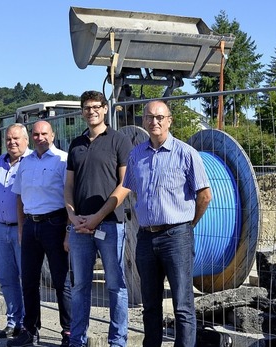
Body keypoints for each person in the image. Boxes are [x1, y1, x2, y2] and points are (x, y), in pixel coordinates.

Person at [123, 100, 212, 347]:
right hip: (145, 237)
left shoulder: (186, 154)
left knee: (182, 305)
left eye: (160, 117)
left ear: (169, 120)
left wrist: (187, 226)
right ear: (143, 122)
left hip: (176, 237)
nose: (155, 122)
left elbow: (205, 195)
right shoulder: (136, 155)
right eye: (150, 117)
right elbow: (132, 191)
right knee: (150, 305)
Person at [64, 91, 132, 347]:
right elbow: (68, 185)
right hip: (79, 226)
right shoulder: (76, 144)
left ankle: (118, 342)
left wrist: (97, 217)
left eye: (96, 107)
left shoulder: (119, 141)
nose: (91, 111)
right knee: (80, 286)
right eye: (86, 108)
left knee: (116, 286)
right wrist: (72, 215)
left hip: (110, 225)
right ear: (82, 112)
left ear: (105, 109)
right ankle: (77, 341)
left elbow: (125, 184)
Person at [7, 120, 72, 347]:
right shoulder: (25, 163)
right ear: (31, 137)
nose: (40, 137)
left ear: (52, 135)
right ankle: (30, 330)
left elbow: (69, 199)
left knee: (61, 281)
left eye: (44, 133)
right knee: (29, 282)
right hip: (31, 226)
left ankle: (68, 332)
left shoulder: (63, 160)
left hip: (55, 224)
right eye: (35, 134)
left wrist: (67, 232)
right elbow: (19, 197)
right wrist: (22, 228)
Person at [0, 124, 32, 339]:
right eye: (9, 139)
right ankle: (13, 322)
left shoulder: (31, 162)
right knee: (6, 278)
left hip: (23, 229)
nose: (12, 142)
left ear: (26, 140)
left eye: (16, 138)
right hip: (0, 229)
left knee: (27, 278)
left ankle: (29, 324)